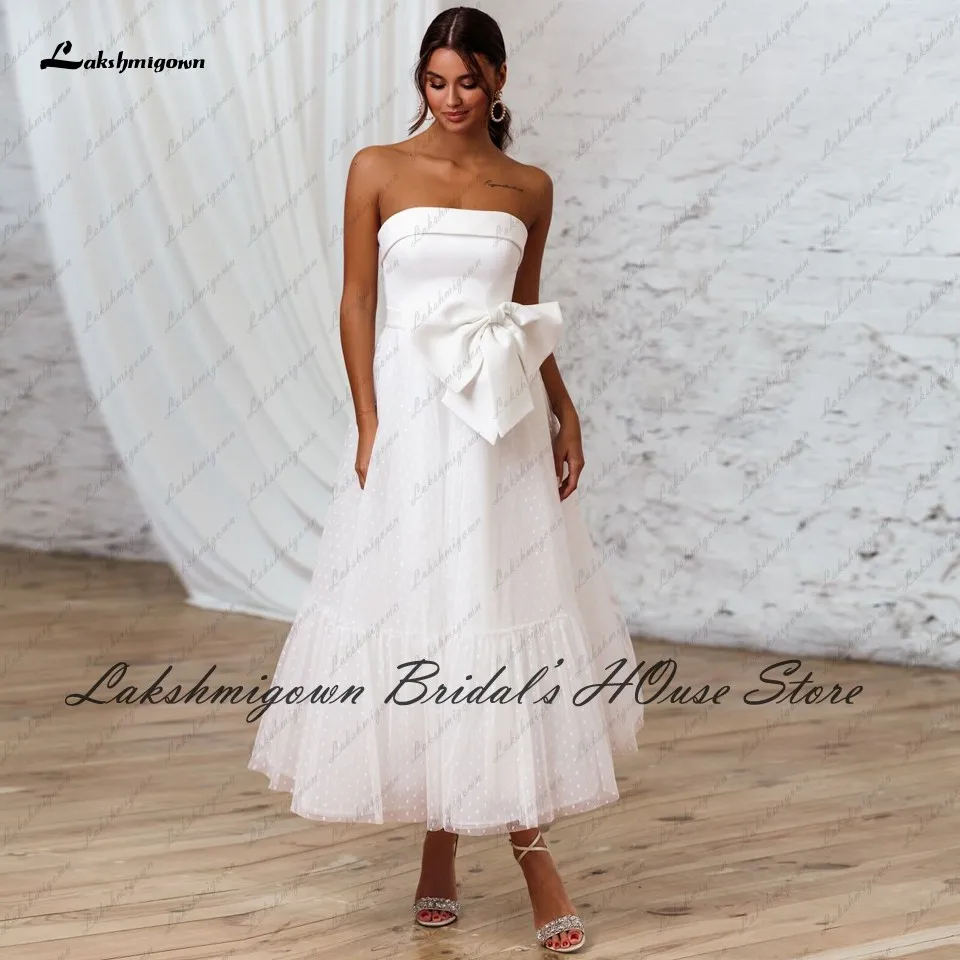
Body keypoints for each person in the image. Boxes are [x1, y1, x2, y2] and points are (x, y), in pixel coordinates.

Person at [248, 6, 644, 954]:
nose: (451, 97)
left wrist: (564, 407)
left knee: (495, 611)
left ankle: (521, 849)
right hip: (413, 420)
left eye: (468, 80)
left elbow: (521, 310)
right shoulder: (377, 168)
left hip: (499, 421)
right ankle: (446, 841)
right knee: (427, 612)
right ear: (420, 82)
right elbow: (356, 299)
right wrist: (369, 419)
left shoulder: (529, 186)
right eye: (435, 80)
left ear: (498, 80)